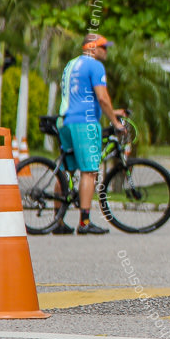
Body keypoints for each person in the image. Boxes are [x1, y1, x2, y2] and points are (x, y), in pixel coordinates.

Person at [54, 33, 126, 234]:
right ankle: (85, 223)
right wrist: (115, 122)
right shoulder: (95, 66)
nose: (106, 51)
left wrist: (115, 111)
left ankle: (57, 222)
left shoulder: (71, 65)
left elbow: (78, 96)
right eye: (103, 47)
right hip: (85, 123)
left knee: (65, 172)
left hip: (65, 120)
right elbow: (102, 98)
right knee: (89, 171)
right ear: (92, 48)